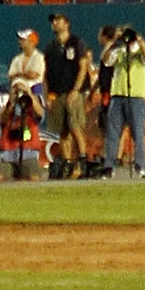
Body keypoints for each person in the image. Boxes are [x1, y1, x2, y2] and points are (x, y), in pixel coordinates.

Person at [44, 14, 89, 178]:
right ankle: (67, 163)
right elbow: (47, 73)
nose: (55, 24)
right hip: (58, 93)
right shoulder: (51, 47)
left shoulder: (76, 43)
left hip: (73, 93)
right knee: (62, 131)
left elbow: (83, 67)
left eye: (58, 20)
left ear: (66, 23)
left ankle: (82, 162)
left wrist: (76, 90)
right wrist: (49, 94)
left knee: (75, 127)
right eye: (53, 21)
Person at [104, 24, 145, 178]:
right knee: (112, 133)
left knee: (138, 133)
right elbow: (105, 60)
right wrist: (113, 42)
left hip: (135, 96)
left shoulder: (138, 52)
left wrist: (139, 39)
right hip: (117, 95)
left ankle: (140, 166)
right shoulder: (119, 51)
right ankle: (109, 166)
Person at [2, 29, 45, 181]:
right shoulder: (17, 59)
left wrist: (22, 80)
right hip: (18, 94)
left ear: (32, 41)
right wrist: (21, 79)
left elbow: (35, 75)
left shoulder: (39, 58)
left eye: (23, 39)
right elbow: (11, 75)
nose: (21, 42)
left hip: (33, 93)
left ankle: (29, 158)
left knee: (31, 121)